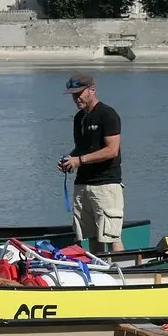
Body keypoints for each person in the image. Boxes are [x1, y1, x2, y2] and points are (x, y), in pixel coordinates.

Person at [58, 74, 123, 253]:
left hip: (106, 184)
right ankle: (99, 272)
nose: (76, 98)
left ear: (92, 90)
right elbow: (81, 148)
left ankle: (123, 273)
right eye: (73, 95)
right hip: (82, 183)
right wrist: (69, 159)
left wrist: (79, 160)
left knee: (112, 236)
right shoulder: (79, 118)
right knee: (91, 236)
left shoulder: (108, 114)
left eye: (79, 93)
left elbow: (112, 150)